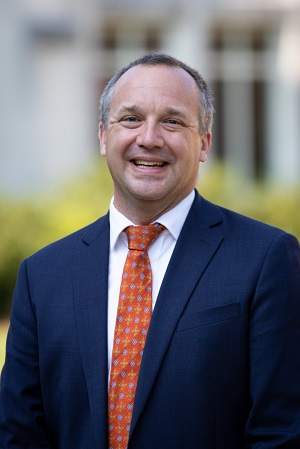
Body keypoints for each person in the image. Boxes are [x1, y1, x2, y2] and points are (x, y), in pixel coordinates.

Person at [0, 53, 300, 449]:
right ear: (104, 137)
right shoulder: (42, 276)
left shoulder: (266, 259)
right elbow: (17, 435)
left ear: (204, 142)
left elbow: (281, 434)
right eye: (131, 119)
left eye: (173, 121)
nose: (149, 138)